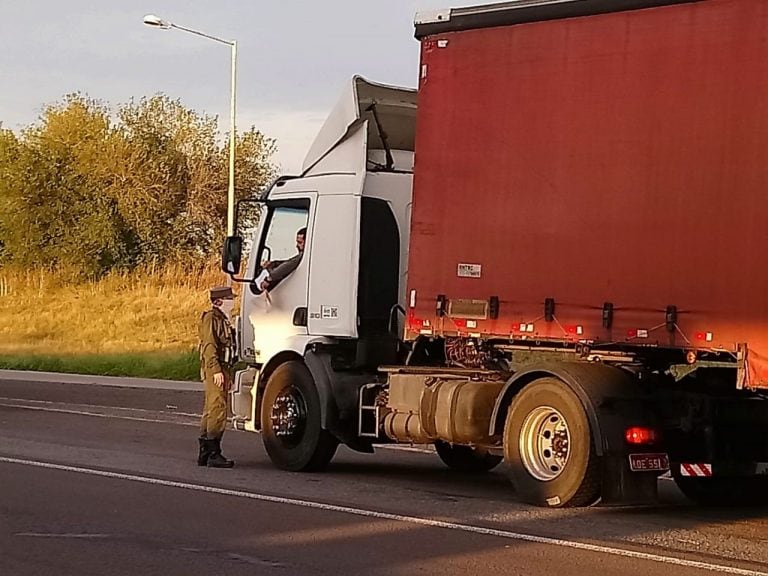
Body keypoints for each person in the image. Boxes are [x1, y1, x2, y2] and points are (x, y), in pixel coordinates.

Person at [197, 285, 236, 468]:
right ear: (218, 301)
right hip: (216, 369)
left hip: (222, 368)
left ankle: (205, 452)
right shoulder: (212, 318)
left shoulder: (222, 319)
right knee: (218, 409)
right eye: (229, 299)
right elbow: (209, 346)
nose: (232, 302)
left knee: (211, 408)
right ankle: (213, 452)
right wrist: (216, 370)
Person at [258, 227, 306, 292]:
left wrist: (269, 279)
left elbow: (289, 265)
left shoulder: (302, 257)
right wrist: (274, 264)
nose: (297, 246)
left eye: (300, 242)